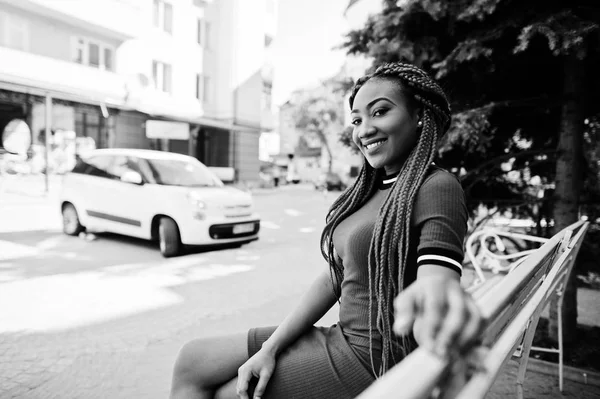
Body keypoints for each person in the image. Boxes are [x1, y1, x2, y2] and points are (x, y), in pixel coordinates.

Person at [169, 62, 483, 399]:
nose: (364, 130)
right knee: (192, 360)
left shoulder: (436, 186)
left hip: (372, 360)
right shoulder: (370, 190)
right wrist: (271, 348)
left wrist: (436, 298)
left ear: (419, 114)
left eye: (380, 112)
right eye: (358, 120)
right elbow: (336, 276)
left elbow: (438, 280)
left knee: (229, 394)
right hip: (342, 338)